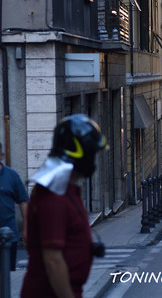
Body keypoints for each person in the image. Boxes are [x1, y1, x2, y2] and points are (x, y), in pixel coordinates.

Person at [21, 114, 107, 298]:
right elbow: (52, 260)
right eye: (92, 153)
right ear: (81, 152)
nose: (93, 161)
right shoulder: (54, 195)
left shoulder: (65, 188)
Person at [0, 142, 29, 271]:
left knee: (7, 275)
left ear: (1, 156)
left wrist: (26, 228)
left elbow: (23, 201)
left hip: (8, 236)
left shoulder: (11, 176)